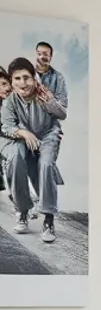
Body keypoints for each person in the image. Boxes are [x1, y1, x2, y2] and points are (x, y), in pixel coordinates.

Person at [1, 57, 67, 244]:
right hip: (25, 138)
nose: (23, 83)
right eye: (17, 79)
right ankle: (22, 211)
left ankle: (48, 218)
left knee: (46, 165)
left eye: (26, 77)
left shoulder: (42, 93)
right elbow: (6, 126)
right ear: (12, 81)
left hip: (48, 136)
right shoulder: (10, 101)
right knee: (15, 161)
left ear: (34, 78)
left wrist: (50, 102)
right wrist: (22, 132)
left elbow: (62, 114)